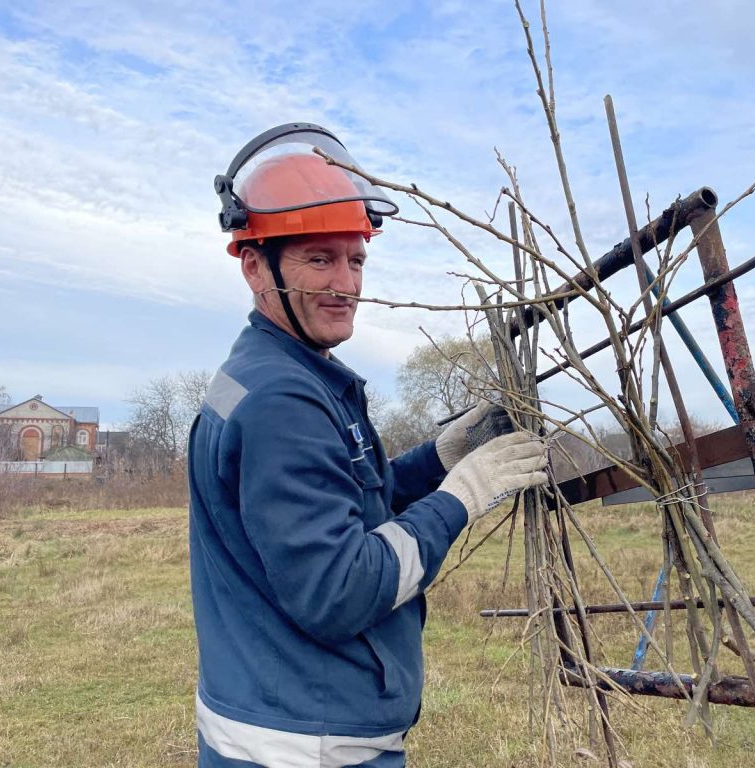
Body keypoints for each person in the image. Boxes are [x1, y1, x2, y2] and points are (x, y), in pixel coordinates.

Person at [189, 123, 549, 767]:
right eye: (318, 258)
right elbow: (342, 589)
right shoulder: (283, 401)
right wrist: (462, 498)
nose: (346, 283)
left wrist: (440, 459)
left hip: (274, 716)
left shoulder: (261, 376)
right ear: (253, 264)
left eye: (355, 259)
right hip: (307, 745)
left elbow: (342, 497)